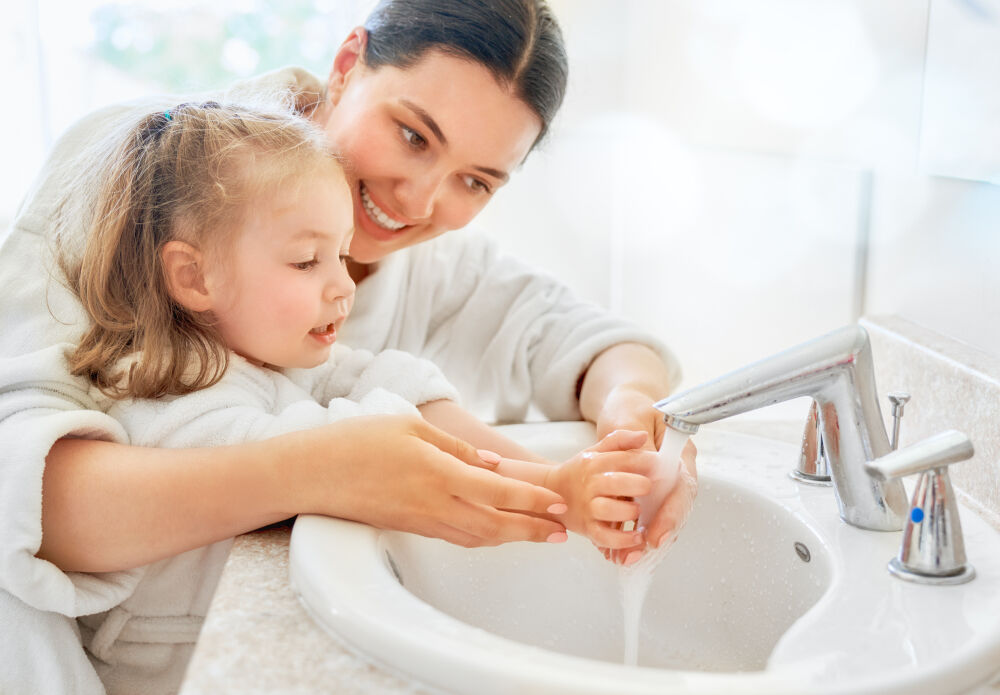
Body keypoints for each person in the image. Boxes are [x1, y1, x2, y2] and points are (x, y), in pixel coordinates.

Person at [0, 0, 695, 690]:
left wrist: (631, 422)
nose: (421, 201)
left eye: (475, 181)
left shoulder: (436, 272)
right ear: (345, 64)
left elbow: (580, 340)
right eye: (414, 135)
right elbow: (22, 493)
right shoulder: (139, 177)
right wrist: (312, 469)